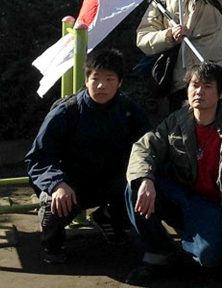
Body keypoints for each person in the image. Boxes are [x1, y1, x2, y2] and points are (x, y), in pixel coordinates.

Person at [125, 63, 222, 286]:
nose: (199, 92)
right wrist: (146, 180)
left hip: (216, 207)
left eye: (207, 86)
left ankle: (200, 238)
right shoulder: (176, 121)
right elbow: (143, 147)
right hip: (181, 196)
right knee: (135, 185)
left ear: (221, 93)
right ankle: (159, 251)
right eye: (194, 85)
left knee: (210, 257)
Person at [25, 49, 151, 264]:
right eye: (96, 79)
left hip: (112, 181)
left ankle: (108, 219)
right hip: (72, 183)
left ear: (119, 82)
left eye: (109, 79)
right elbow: (38, 158)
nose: (101, 85)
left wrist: (147, 179)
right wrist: (57, 184)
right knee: (53, 206)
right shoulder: (67, 112)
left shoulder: (129, 110)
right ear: (86, 80)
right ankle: (52, 242)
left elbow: (148, 148)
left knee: (141, 190)